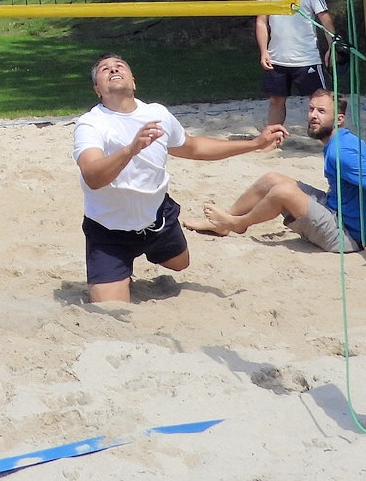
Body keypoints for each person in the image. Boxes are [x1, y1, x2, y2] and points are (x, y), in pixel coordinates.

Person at [75, 54, 284, 304]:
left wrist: (254, 143)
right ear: (97, 90)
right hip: (109, 230)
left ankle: (150, 248)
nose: (113, 69)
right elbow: (93, 177)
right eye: (104, 69)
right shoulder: (91, 124)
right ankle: (120, 268)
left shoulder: (156, 114)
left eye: (119, 66)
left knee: (180, 263)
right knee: (111, 306)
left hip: (156, 218)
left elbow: (193, 147)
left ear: (133, 82)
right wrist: (130, 150)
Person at [186, 88, 366, 251]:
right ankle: (225, 222)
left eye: (321, 111)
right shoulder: (344, 140)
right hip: (336, 210)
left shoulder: (341, 153)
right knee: (272, 179)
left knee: (282, 192)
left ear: (339, 119)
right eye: (311, 109)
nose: (313, 115)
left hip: (348, 236)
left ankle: (238, 224)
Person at [255, 0, 337, 131]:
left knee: (320, 100)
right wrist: (264, 51)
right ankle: (273, 138)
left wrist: (332, 47)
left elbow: (325, 19)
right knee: (276, 100)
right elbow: (261, 21)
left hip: (306, 58)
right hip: (277, 57)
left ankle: (331, 138)